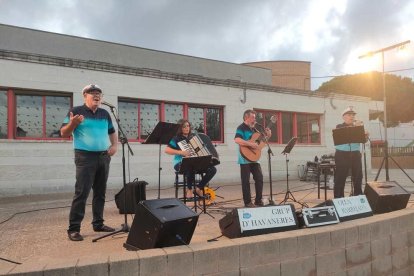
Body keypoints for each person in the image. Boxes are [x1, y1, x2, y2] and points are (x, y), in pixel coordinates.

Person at [60, 84, 118, 241]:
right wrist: (73, 123)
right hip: (84, 157)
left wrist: (114, 146)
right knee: (82, 192)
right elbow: (63, 133)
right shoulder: (76, 111)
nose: (96, 95)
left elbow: (112, 132)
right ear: (85, 95)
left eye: (99, 92)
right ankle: (73, 229)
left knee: (100, 193)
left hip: (103, 157)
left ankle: (98, 224)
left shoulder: (105, 113)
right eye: (92, 92)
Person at [165, 119, 217, 198]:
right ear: (180, 128)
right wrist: (181, 152)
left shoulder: (194, 137)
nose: (187, 128)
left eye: (188, 126)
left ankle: (198, 188)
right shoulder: (176, 138)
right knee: (189, 165)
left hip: (195, 163)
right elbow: (167, 150)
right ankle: (189, 189)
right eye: (184, 126)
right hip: (179, 163)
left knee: (212, 169)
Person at [234, 109, 271, 207]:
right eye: (253, 117)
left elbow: (260, 146)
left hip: (255, 158)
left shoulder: (255, 130)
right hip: (244, 158)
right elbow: (237, 139)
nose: (254, 120)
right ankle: (248, 202)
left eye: (255, 118)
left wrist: (268, 136)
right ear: (246, 117)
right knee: (245, 181)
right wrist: (250, 144)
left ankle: (258, 201)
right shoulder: (241, 127)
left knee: (259, 178)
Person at [334, 106, 367, 198]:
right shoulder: (339, 126)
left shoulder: (358, 127)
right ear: (344, 117)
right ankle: (339, 198)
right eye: (349, 115)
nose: (352, 117)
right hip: (342, 154)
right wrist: (356, 128)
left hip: (355, 153)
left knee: (358, 176)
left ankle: (358, 195)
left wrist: (364, 134)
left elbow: (363, 141)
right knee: (340, 177)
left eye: (353, 115)